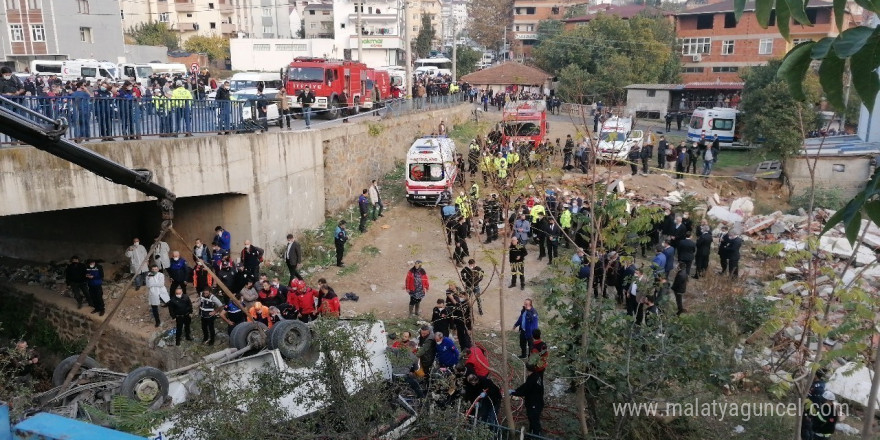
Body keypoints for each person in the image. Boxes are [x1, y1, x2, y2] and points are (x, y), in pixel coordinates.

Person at [511, 366, 545, 436]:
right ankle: (531, 432)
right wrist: (516, 390)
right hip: (537, 401)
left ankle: (536, 435)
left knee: (534, 419)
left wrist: (513, 392)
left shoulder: (533, 379)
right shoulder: (535, 375)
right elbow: (525, 385)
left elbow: (525, 391)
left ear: (528, 371)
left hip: (534, 404)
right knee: (532, 419)